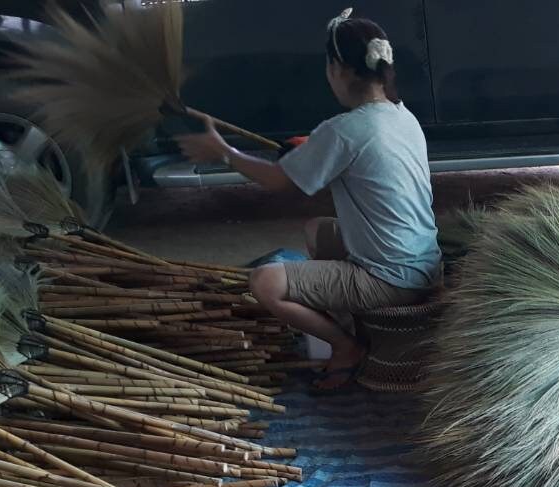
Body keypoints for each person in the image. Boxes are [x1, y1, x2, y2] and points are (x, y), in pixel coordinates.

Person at [178, 8, 441, 390]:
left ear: (341, 70)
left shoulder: (344, 131)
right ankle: (346, 315)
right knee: (318, 232)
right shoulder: (402, 117)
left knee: (265, 282)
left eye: (329, 66)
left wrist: (223, 153)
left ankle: (345, 346)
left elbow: (276, 181)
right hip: (425, 265)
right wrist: (309, 148)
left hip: (389, 280)